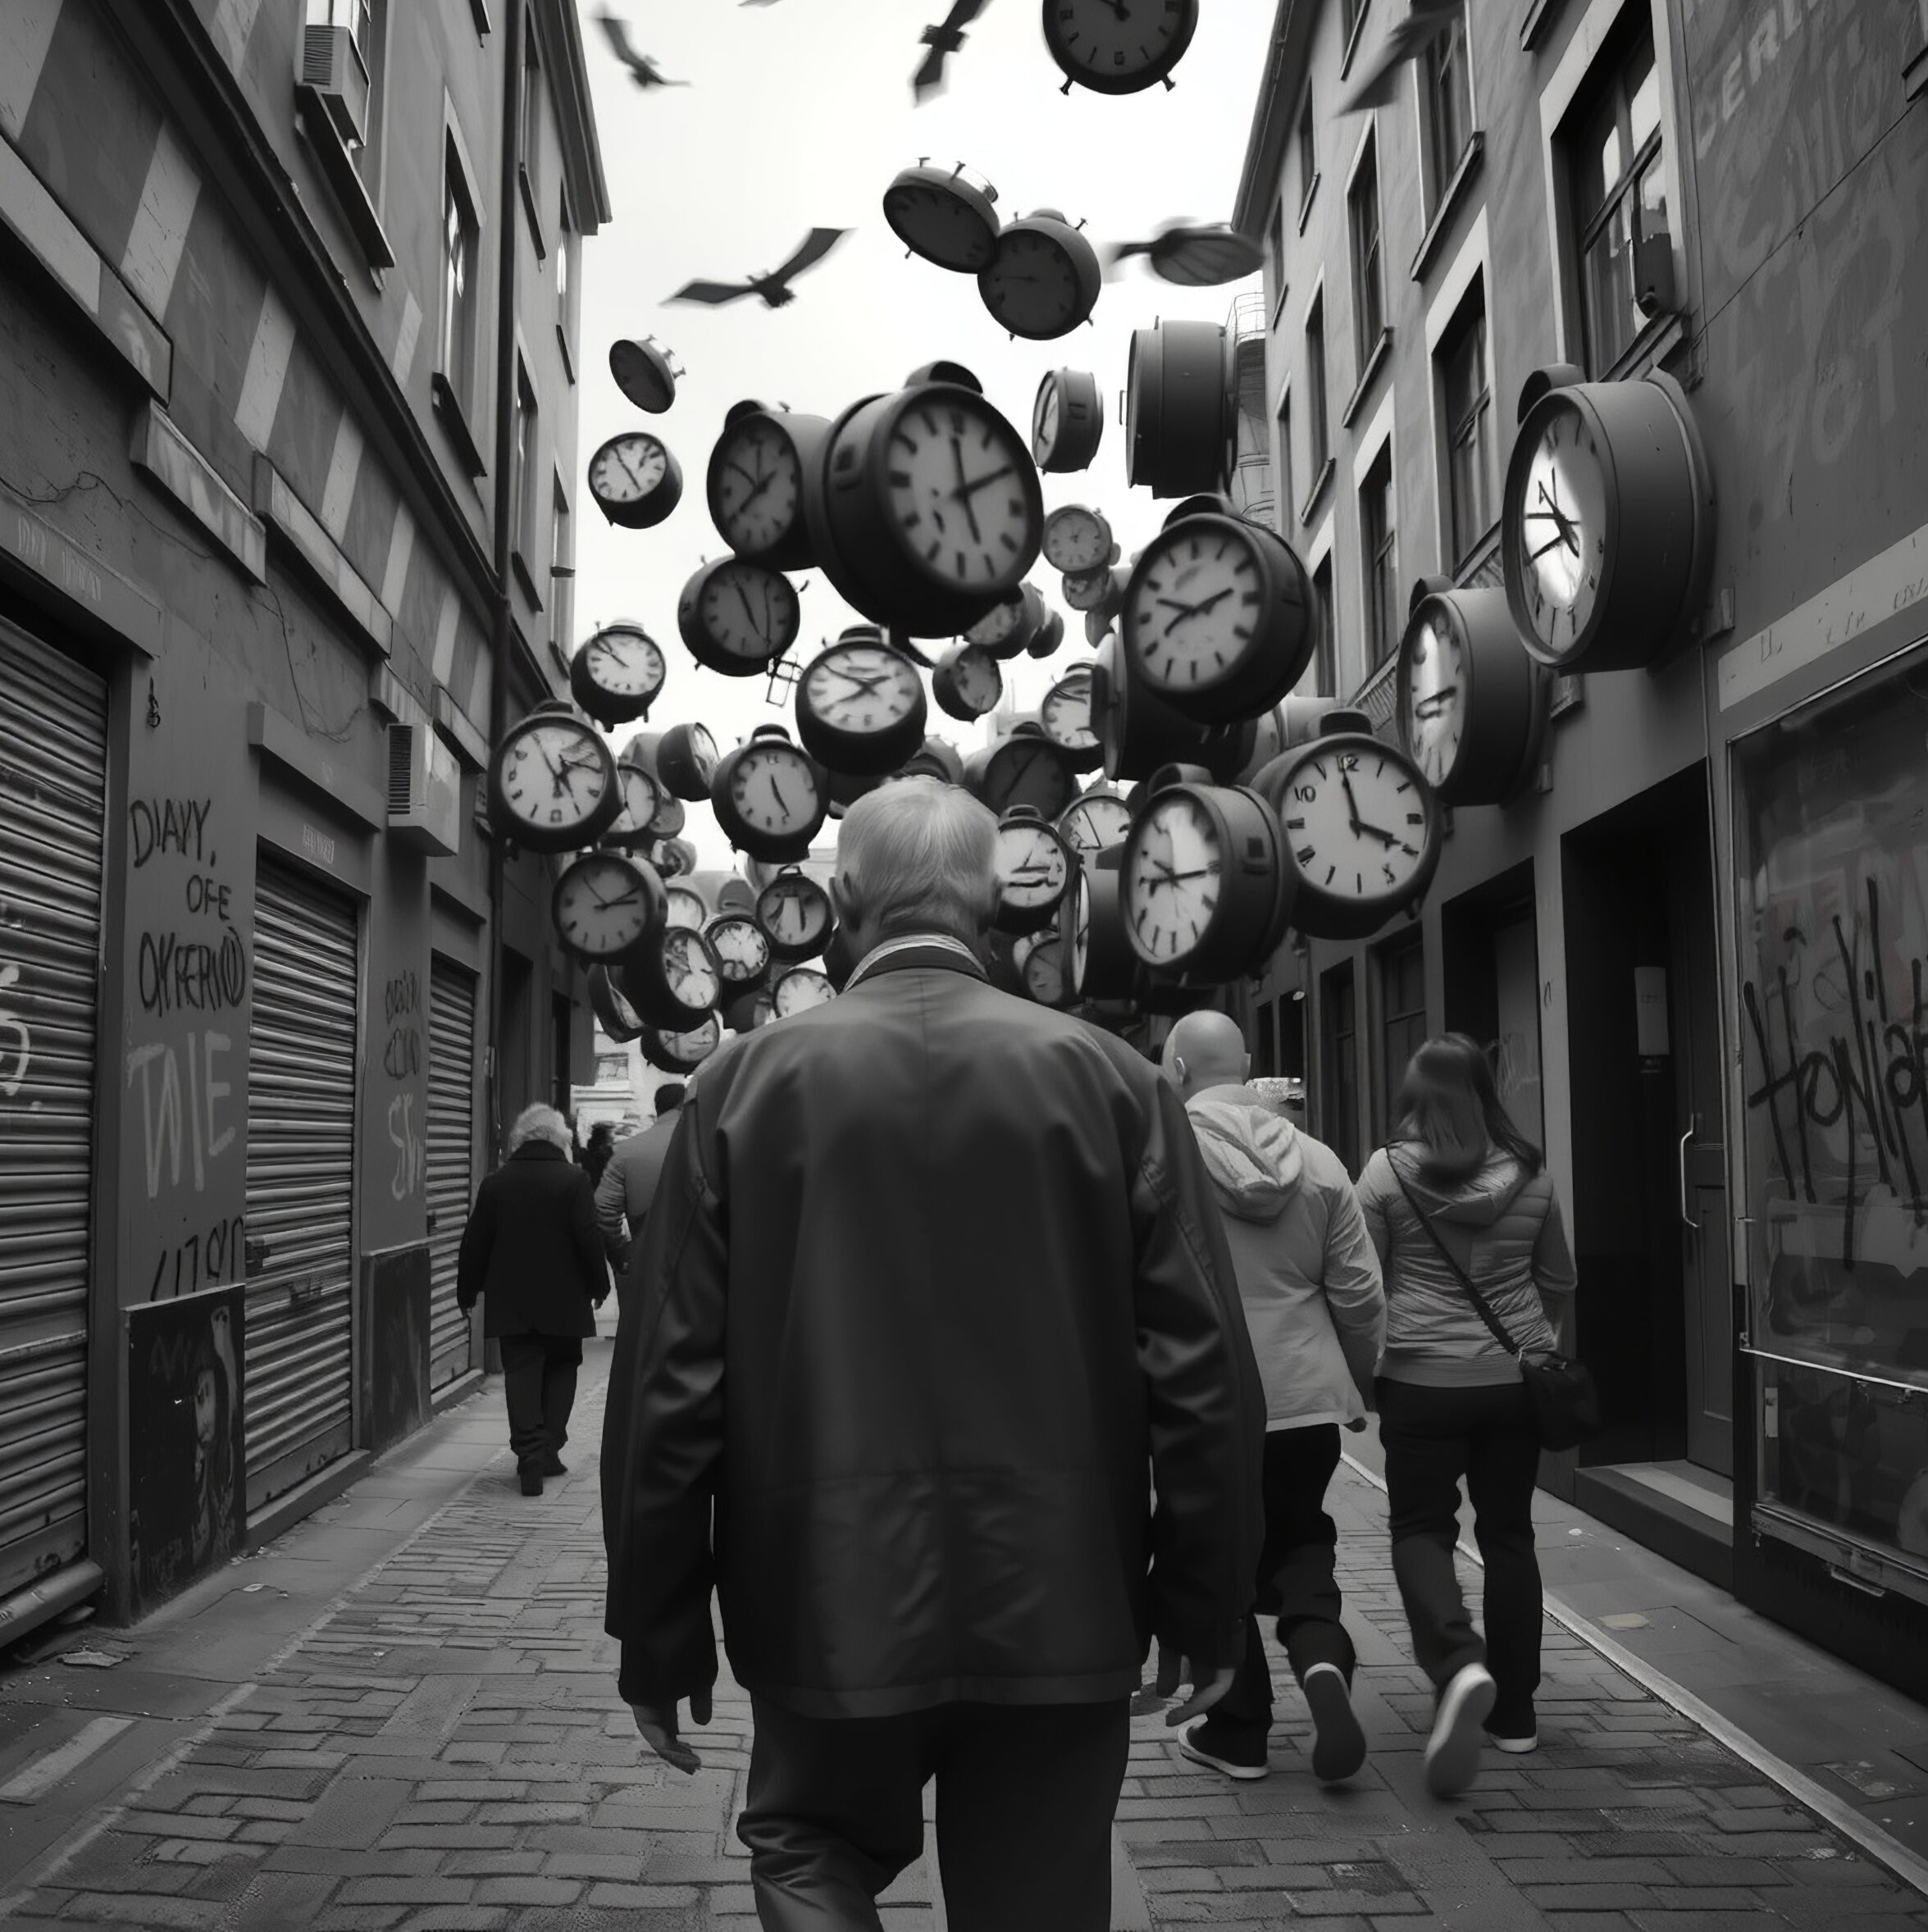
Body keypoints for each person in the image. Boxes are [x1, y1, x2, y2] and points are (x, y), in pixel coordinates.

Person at [602, 777, 1265, 1932]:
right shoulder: (1116, 1085)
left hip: (823, 1596)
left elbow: (668, 1386)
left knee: (808, 1846)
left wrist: (660, 1629)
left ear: (846, 897)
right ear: (986, 903)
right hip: (1061, 1598)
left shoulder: (741, 1090)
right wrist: (1205, 1605)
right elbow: (1203, 1373)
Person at [1160, 1010, 1385, 1786]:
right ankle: (1320, 1655)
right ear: (1247, 1066)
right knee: (1299, 1535)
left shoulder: (1157, 1162)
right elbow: (1360, 1294)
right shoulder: (1320, 1162)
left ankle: (1239, 1732)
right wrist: (1356, 1382)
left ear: (1179, 1071)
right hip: (1305, 1396)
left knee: (1213, 1555)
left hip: (1201, 1401)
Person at [1355, 1033, 1577, 1797]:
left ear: (1415, 1094)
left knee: (1421, 1528)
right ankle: (1515, 1715)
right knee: (1509, 1534)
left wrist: (1363, 1373)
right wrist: (1534, 1348)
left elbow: (1365, 1281)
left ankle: (1458, 1661)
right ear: (1487, 1089)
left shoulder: (1385, 1170)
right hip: (1512, 1379)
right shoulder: (1533, 1171)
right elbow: (1558, 1280)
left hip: (1418, 1379)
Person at [457, 1102, 607, 1495]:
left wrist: (466, 1291)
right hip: (565, 1299)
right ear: (562, 1140)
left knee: (521, 1372)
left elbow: (475, 1243)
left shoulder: (496, 1183)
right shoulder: (575, 1180)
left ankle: (528, 1457)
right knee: (561, 1368)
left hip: (513, 1300)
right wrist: (599, 1285)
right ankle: (548, 1450)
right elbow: (588, 1236)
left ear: (519, 1140)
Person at [594, 1082, 686, 1276]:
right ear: (683, 1106)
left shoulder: (626, 1151)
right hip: (700, 1266)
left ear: (657, 1107)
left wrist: (621, 1253)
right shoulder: (707, 1146)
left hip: (647, 1263)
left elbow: (603, 1211)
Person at [581, 1119, 618, 1191]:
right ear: (602, 1135)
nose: (613, 1136)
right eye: (611, 1132)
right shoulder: (603, 1154)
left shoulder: (590, 1151)